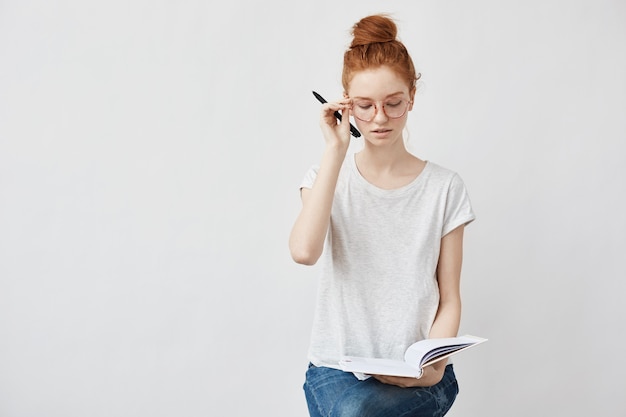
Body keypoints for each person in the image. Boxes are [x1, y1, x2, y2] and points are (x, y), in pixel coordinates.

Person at [289, 14, 476, 417]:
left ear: (412, 96)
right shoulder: (326, 179)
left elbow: (450, 296)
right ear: (345, 103)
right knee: (359, 410)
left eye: (393, 104)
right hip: (337, 369)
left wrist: (432, 368)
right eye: (364, 105)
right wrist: (335, 151)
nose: (378, 118)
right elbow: (304, 252)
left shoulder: (445, 188)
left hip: (419, 372)